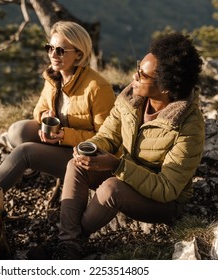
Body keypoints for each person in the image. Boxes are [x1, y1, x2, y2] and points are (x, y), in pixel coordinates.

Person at [54, 32, 205, 259]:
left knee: (111, 188)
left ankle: (72, 240)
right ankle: (69, 243)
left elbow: (167, 189)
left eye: (143, 75)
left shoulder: (189, 127)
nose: (135, 75)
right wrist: (90, 147)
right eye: (138, 67)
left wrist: (117, 166)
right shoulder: (131, 99)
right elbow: (108, 135)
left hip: (164, 203)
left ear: (165, 87)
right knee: (76, 166)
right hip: (130, 176)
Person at [0, 21, 115, 191]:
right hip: (57, 140)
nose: (53, 55)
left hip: (81, 155)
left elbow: (106, 141)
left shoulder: (98, 88)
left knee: (25, 152)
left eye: (60, 51)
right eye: (50, 48)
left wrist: (64, 135)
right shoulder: (54, 75)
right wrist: (44, 117)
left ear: (78, 55)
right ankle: (35, 167)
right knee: (18, 131)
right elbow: (39, 109)